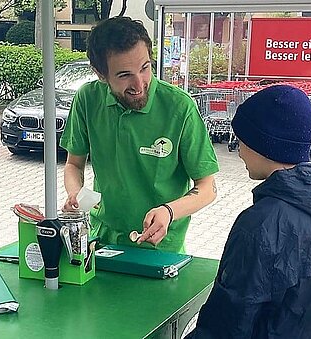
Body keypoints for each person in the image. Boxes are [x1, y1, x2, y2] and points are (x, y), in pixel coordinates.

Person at [186, 85, 311, 338]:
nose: (240, 152)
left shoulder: (261, 224)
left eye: (243, 141)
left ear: (263, 145)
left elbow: (226, 324)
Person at [60, 16, 219, 253]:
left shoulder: (180, 107)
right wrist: (75, 193)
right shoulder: (87, 99)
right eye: (124, 75)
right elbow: (73, 164)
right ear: (100, 74)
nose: (139, 84)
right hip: (101, 240)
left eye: (145, 68)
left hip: (162, 250)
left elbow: (208, 188)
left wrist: (169, 211)